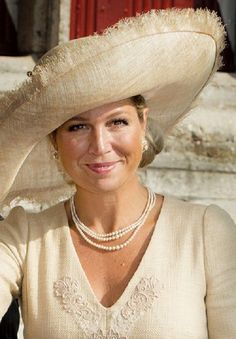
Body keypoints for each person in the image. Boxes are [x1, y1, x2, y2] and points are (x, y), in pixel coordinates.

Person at [0, 8, 235, 339]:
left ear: (143, 124)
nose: (99, 145)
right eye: (78, 126)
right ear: (55, 141)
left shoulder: (207, 232)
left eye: (117, 122)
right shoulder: (23, 237)